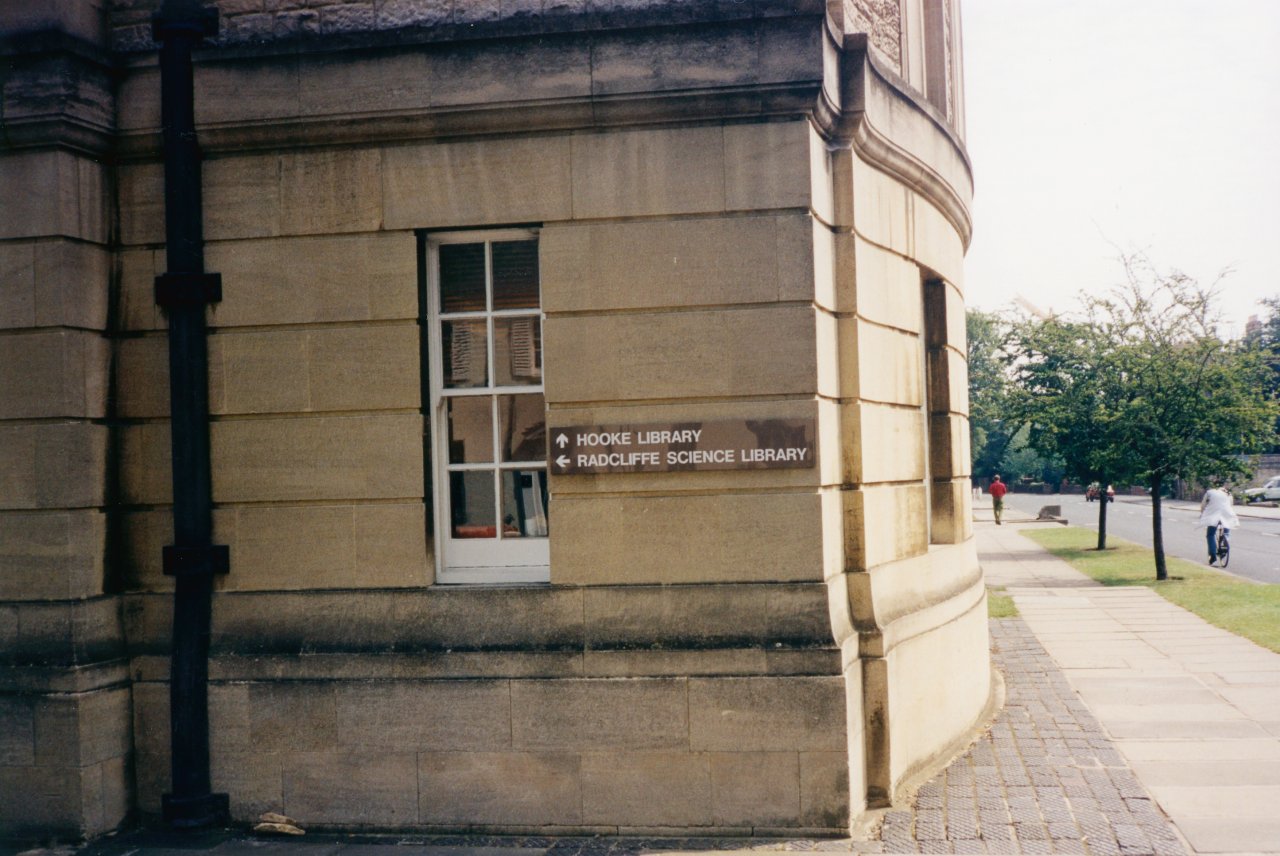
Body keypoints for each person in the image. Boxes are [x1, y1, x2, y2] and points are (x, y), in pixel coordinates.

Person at [1198, 484, 1240, 566]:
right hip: (1227, 513)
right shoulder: (1228, 493)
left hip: (1214, 514)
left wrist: (1203, 513)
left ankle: (1213, 555)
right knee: (1227, 530)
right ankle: (1225, 543)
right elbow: (1231, 505)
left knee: (1210, 534)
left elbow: (1203, 505)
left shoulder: (1209, 492)